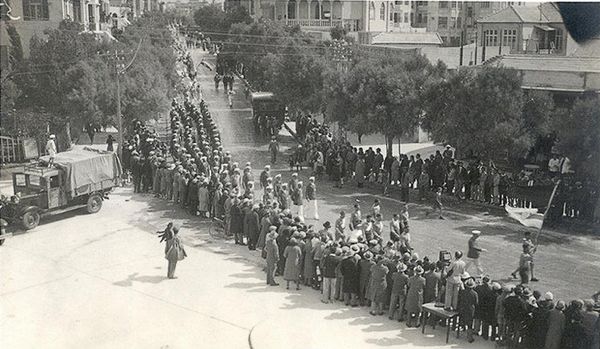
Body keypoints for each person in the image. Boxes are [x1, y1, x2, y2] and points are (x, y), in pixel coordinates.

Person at [458, 278, 479, 343]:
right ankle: (469, 337)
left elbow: (459, 299)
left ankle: (459, 333)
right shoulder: (475, 294)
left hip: (463, 308)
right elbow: (476, 303)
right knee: (470, 324)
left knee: (461, 319)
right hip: (470, 309)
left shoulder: (462, 292)